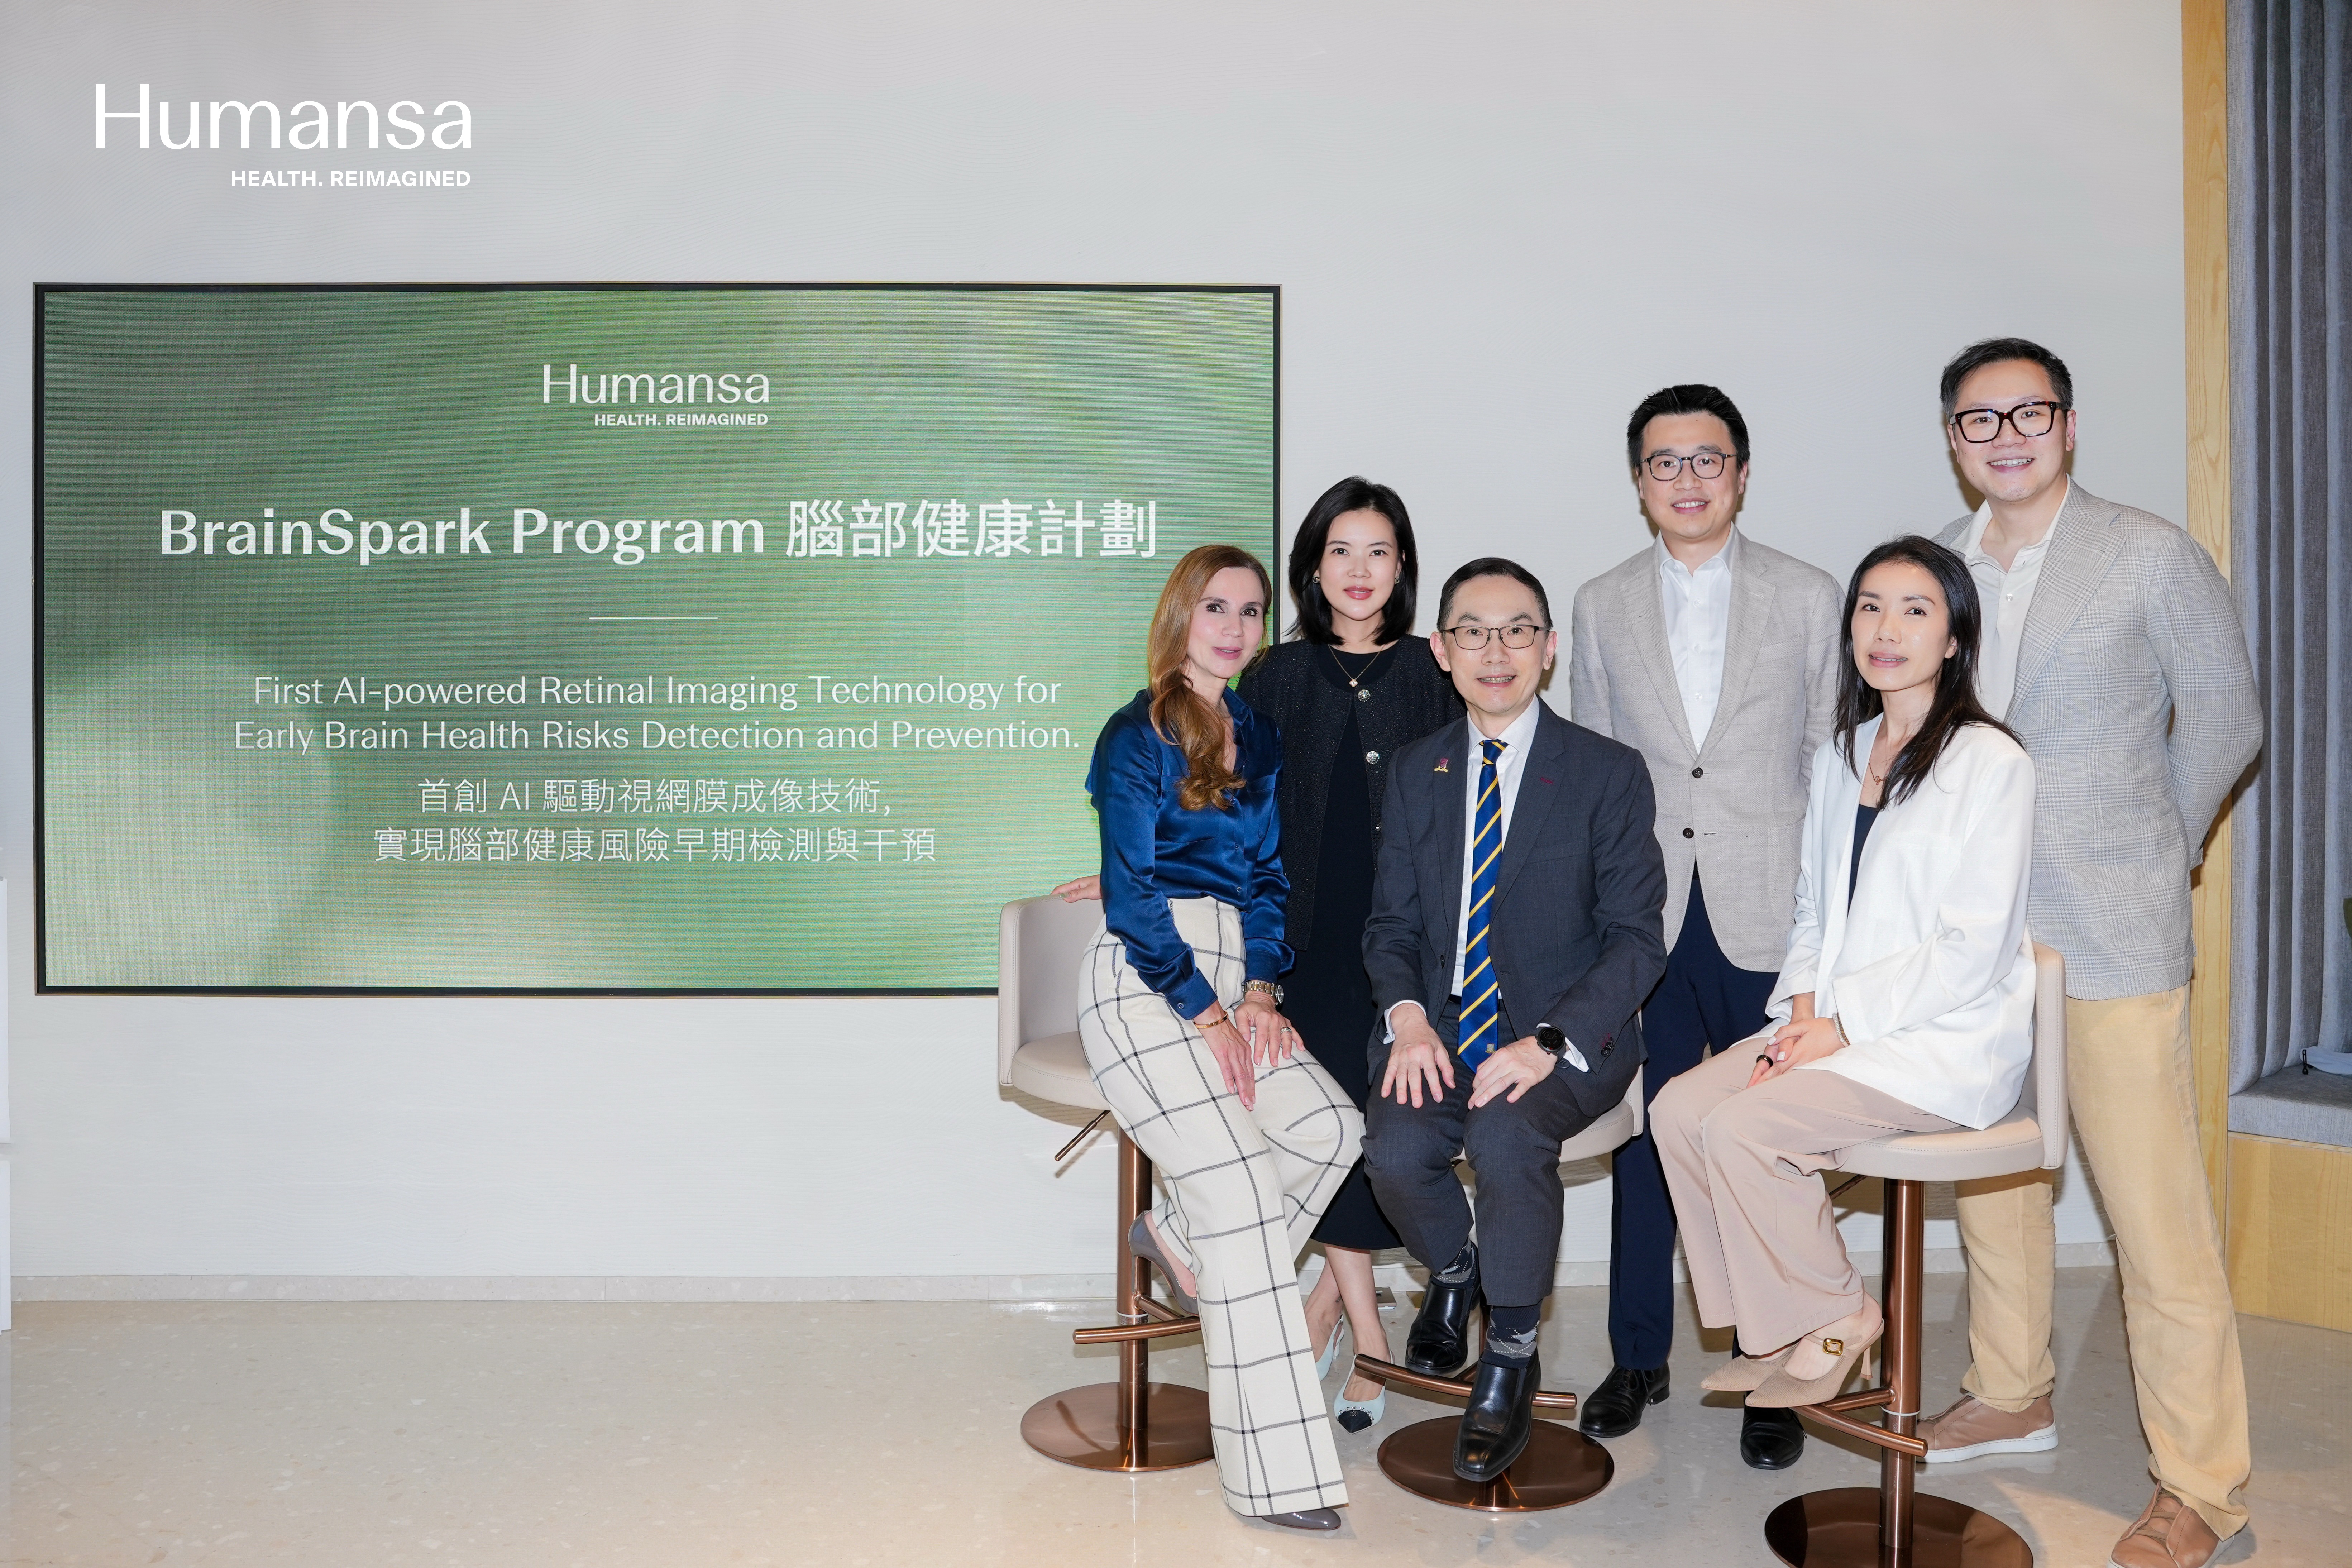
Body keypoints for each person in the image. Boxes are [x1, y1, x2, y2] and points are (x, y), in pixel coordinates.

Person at [1920, 339, 2261, 1568]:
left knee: (2151, 1213)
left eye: (2028, 411)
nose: (2004, 434)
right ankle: (2010, 1381)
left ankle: (2203, 1479)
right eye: (1977, 419)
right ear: (1951, 438)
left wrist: (2153, 840)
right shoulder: (1938, 566)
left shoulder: (2147, 550)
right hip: (1978, 941)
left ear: (2068, 424)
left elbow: (2225, 713)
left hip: (2108, 927)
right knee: (1998, 1179)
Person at [1056, 478, 1463, 1433]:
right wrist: (1128, 871)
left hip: (1405, 939)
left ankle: (1326, 1312)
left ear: (1402, 566)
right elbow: (1212, 801)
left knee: (1376, 1126)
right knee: (1323, 1124)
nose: (1359, 571)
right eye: (1339, 552)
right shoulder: (1272, 675)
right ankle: (1365, 1338)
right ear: (1311, 569)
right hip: (1298, 946)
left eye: (1379, 552)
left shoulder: (1435, 671)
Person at [1651, 535, 2036, 1414]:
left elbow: (1971, 948)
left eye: (1915, 610)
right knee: (1678, 1110)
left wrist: (1842, 1024)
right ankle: (1773, 1325)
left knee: (1745, 1128)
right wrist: (1802, 1016)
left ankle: (1839, 1313)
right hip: (1836, 1028)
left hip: (1938, 1043)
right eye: (1869, 607)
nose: (1886, 629)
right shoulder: (1843, 751)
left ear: (1954, 639)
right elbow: (1816, 911)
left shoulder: (1992, 763)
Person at [1567, 383, 1842, 1467]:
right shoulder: (1597, 603)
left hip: (1767, 910)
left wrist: (1830, 930)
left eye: (1706, 459)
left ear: (1740, 471)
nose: (1686, 480)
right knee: (1644, 1136)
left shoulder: (1811, 595)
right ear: (1638, 482)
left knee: (1762, 1143)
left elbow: (1829, 766)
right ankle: (1637, 1354)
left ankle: (1779, 1360)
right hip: (1643, 918)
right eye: (1663, 463)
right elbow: (1590, 767)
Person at [1075, 543, 1363, 1532]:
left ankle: (1183, 1241)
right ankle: (1281, 1480)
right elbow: (1131, 896)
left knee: (1331, 1132)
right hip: (1143, 983)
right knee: (1242, 1190)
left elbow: (1273, 882)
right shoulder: (1136, 735)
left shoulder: (1259, 732)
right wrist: (1202, 1005)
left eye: (1250, 611)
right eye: (1215, 609)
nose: (1236, 629)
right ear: (1178, 619)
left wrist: (1260, 989)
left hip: (1237, 980)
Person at [1361, 557, 1667, 1484]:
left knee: (1500, 1136)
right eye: (1472, 632)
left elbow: (1636, 941)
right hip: (1445, 1027)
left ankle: (1510, 1353)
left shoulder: (1606, 772)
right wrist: (1409, 1021)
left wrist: (1546, 1043)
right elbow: (1391, 927)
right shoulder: (1419, 771)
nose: (1495, 651)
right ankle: (1455, 1274)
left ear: (1548, 649)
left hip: (1569, 1036)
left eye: (1517, 630)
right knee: (1395, 1149)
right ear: (1440, 651)